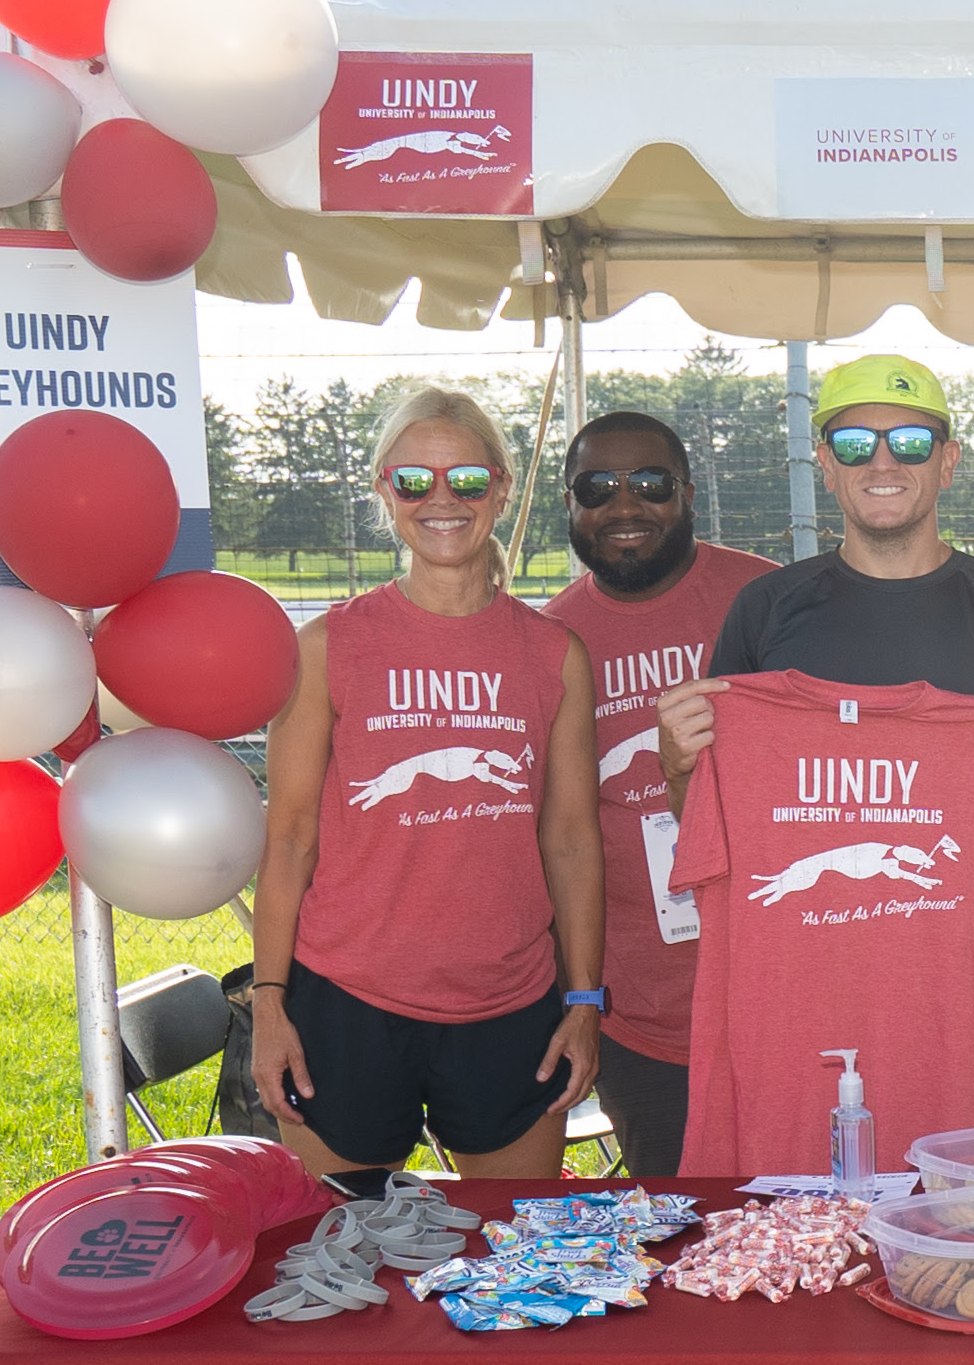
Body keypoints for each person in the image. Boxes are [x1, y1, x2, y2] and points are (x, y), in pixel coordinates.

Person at [705, 351, 974, 1087]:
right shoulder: (766, 611)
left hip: (962, 997)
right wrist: (673, 761)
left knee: (968, 1202)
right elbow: (710, 814)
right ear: (824, 462)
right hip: (802, 994)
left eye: (910, 442)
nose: (882, 460)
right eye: (856, 443)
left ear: (947, 462)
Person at [248, 386, 603, 1178]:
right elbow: (291, 836)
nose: (441, 499)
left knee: (518, 1260)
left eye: (467, 480)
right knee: (338, 1268)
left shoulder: (554, 654)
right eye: (415, 480)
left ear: (501, 490)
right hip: (346, 1002)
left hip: (510, 1005)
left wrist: (584, 1003)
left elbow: (573, 841)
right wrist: (269, 1003)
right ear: (385, 491)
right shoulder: (328, 646)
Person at [540, 410, 770, 1173]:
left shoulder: (766, 600)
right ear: (568, 505)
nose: (625, 506)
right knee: (679, 1232)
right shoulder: (550, 641)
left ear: (689, 493)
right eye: (597, 487)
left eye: (650, 484)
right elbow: (555, 837)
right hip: (644, 1014)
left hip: (780, 986)